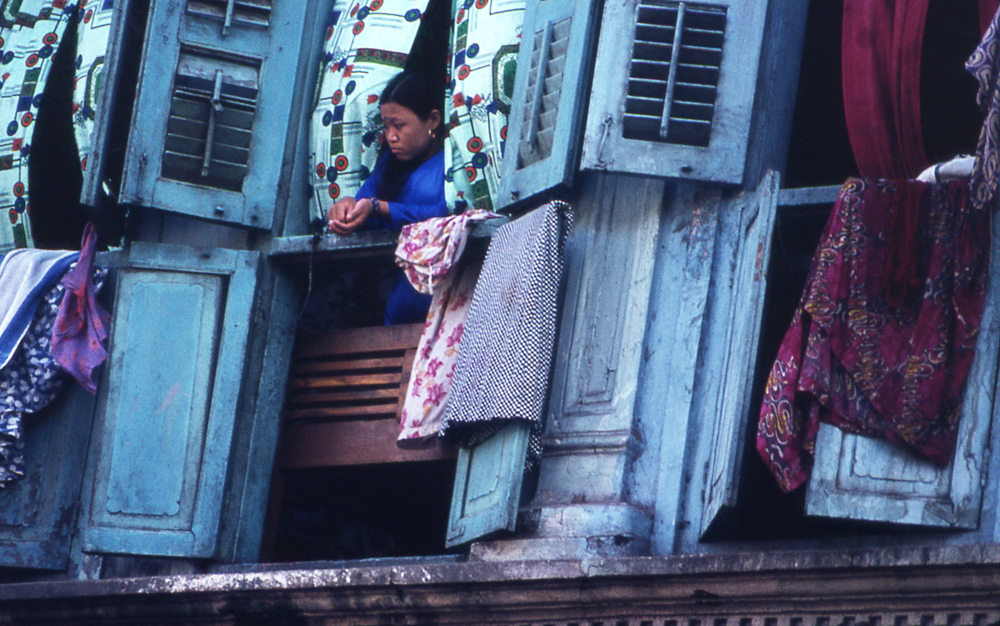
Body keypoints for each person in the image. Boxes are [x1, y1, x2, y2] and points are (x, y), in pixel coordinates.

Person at [327, 71, 449, 325]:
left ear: (433, 120)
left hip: (445, 312)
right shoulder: (386, 169)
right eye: (386, 126)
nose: (391, 136)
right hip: (399, 317)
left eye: (399, 125)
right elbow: (365, 208)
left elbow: (449, 214)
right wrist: (345, 209)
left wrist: (380, 208)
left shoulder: (451, 165)